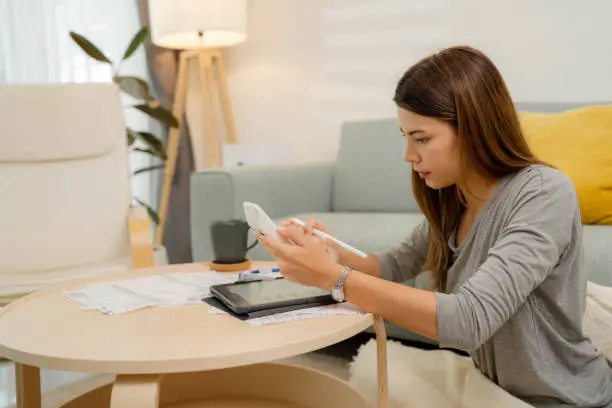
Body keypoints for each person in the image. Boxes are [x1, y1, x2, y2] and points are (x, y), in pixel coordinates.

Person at [257, 45, 612, 407]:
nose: (409, 156)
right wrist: (330, 257)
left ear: (474, 128)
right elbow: (392, 266)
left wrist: (334, 277)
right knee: (371, 368)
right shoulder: (455, 200)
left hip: (563, 398)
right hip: (491, 386)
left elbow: (469, 319)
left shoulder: (543, 193)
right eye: (406, 137)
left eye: (422, 138)